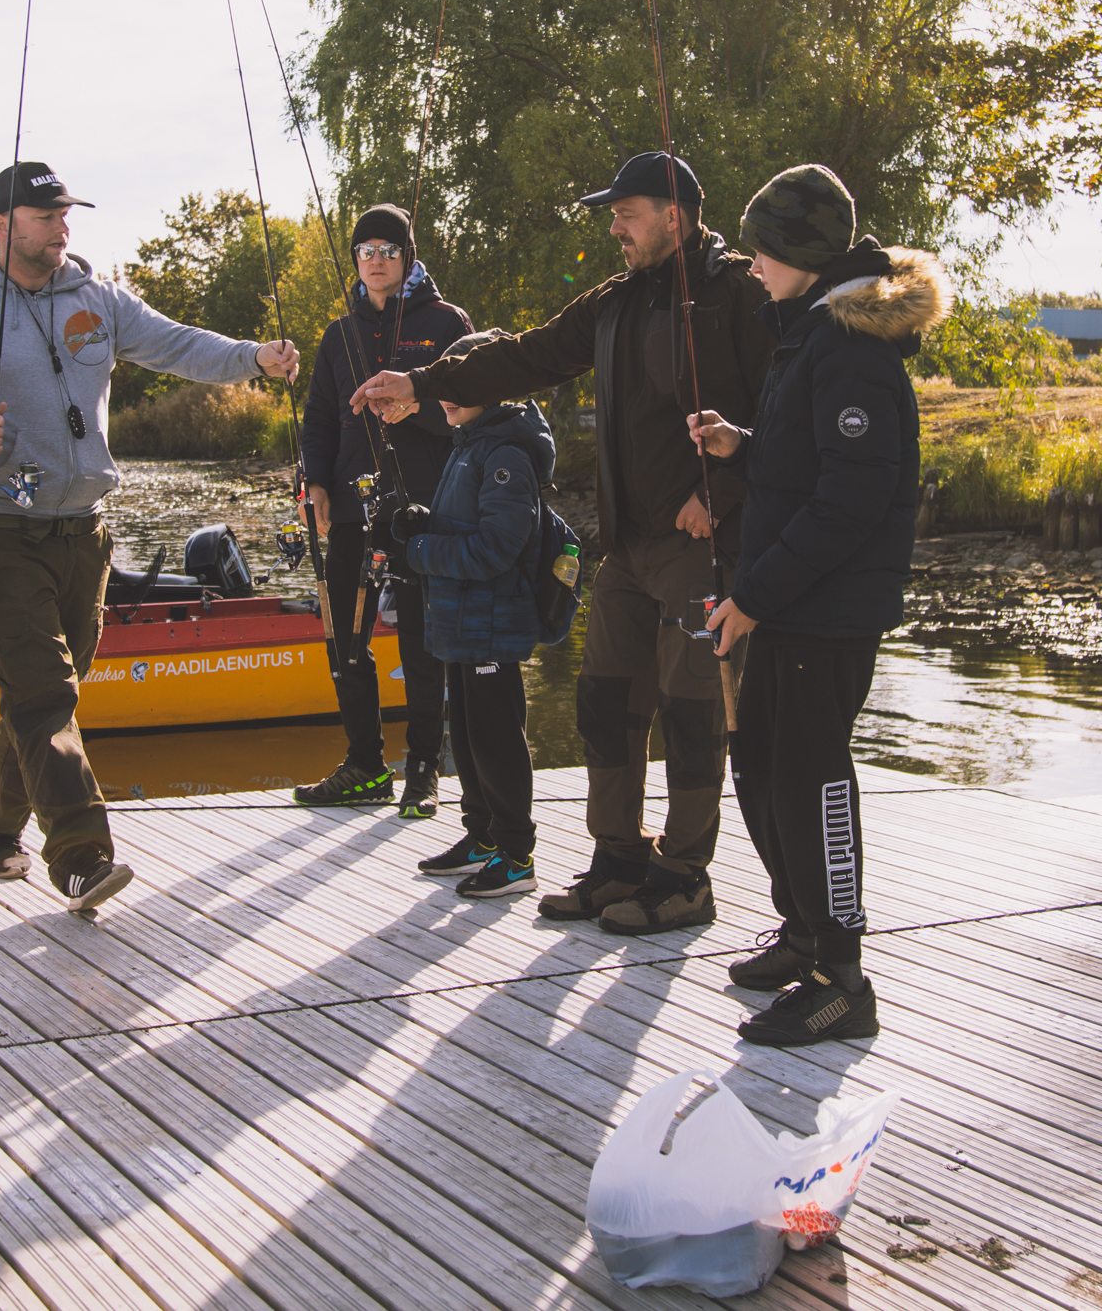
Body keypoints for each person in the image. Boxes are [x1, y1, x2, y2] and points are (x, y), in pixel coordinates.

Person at [352, 151, 775, 936]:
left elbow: (784, 415)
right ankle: (618, 859)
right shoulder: (613, 301)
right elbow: (529, 354)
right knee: (604, 704)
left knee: (690, 715)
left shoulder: (741, 294)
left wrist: (727, 492)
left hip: (700, 547)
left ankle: (684, 876)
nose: (613, 225)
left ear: (675, 217)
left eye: (628, 212)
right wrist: (422, 384)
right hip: (624, 547)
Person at [0, 161, 300, 913]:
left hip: (87, 534)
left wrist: (253, 355)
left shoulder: (99, 298)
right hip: (6, 530)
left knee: (45, 690)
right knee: (45, 691)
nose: (62, 226)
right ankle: (81, 855)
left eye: (65, 213)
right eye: (45, 214)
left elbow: (177, 345)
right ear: (0, 225)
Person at [689, 165, 939, 1046]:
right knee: (760, 763)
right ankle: (802, 932)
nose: (753, 265)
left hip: (823, 612)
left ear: (799, 252)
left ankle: (842, 977)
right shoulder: (811, 335)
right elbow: (806, 463)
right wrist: (742, 444)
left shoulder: (851, 349)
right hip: (792, 604)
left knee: (813, 782)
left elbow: (851, 500)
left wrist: (753, 595)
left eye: (763, 248)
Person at [292, 205, 470, 813]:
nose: (376, 260)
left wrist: (414, 407)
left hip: (423, 508)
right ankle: (365, 764)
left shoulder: (447, 322)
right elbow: (318, 418)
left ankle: (424, 766)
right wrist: (314, 482)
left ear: (408, 256)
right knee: (345, 638)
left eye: (388, 250)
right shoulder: (337, 336)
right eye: (366, 250)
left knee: (422, 642)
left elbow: (471, 408)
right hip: (348, 508)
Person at [392, 332, 556, 899]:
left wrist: (414, 553)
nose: (445, 394)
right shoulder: (468, 442)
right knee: (462, 734)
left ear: (496, 387)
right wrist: (418, 523)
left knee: (495, 738)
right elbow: (462, 527)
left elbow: (494, 549)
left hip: (491, 625)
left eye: (459, 383)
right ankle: (482, 836)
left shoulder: (506, 453)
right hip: (461, 624)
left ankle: (516, 854)